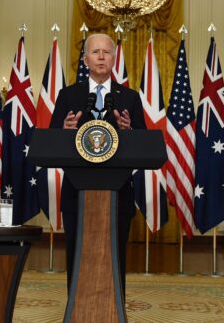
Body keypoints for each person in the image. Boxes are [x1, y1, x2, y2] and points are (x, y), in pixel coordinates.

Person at [49, 33, 146, 296]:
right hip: (76, 193)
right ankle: (76, 306)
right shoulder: (68, 96)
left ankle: (115, 308)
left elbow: (144, 145)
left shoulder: (130, 98)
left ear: (114, 59)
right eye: (95, 52)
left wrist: (129, 131)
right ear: (85, 59)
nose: (101, 56)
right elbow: (51, 143)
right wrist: (65, 130)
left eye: (106, 52)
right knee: (77, 252)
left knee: (115, 254)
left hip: (119, 193)